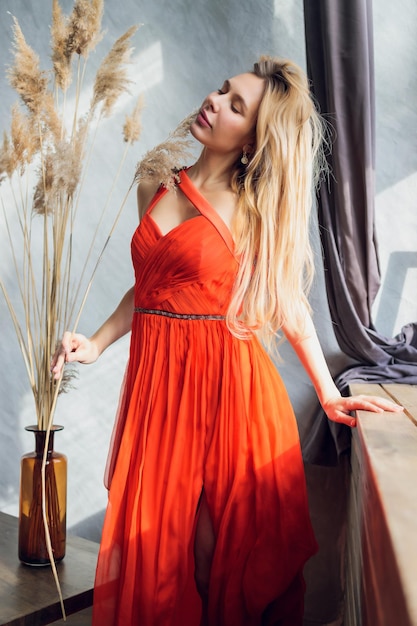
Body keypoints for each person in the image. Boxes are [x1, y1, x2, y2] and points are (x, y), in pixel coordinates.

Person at [52, 56, 402, 626]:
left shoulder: (254, 209)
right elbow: (151, 289)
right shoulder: (155, 182)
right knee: (161, 550)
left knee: (212, 556)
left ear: (251, 140)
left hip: (227, 390)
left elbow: (288, 303)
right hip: (160, 392)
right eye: (221, 90)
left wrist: (329, 392)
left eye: (235, 105)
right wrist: (94, 343)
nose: (214, 102)